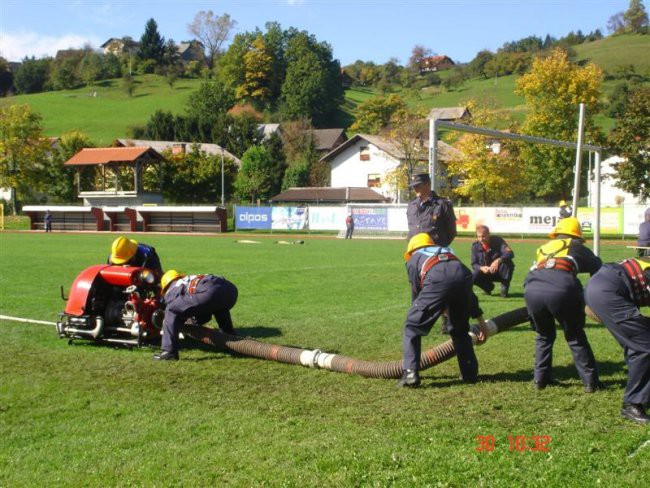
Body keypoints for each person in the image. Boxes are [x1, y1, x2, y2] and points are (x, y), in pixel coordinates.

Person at [523, 217, 603, 392]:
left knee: (543, 336)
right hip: (562, 290)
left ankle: (540, 380)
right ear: (576, 235)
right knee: (575, 336)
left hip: (532, 290)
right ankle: (591, 383)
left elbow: (548, 267)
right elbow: (598, 267)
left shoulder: (544, 247)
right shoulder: (576, 246)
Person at [398, 233, 485, 388]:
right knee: (459, 330)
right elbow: (467, 292)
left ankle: (410, 374)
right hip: (463, 274)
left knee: (412, 327)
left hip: (435, 278)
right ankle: (470, 374)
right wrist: (480, 321)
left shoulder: (414, 258)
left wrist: (420, 314)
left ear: (412, 249)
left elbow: (417, 294)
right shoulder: (447, 251)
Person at [585, 257, 650, 424]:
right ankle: (632, 404)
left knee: (637, 341)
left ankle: (641, 393)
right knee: (644, 347)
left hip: (602, 288)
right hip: (608, 293)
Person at [153, 270, 239, 361]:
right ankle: (230, 337)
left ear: (165, 286)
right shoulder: (189, 279)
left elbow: (173, 308)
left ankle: (169, 351)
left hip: (210, 292)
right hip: (230, 290)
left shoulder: (173, 287)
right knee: (218, 306)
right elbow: (204, 313)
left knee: (170, 310)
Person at [406, 173, 457, 246]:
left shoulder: (442, 205)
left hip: (434, 252)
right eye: (414, 186)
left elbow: (452, 232)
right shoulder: (411, 205)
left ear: (428, 185)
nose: (415, 188)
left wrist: (439, 245)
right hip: (415, 251)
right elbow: (411, 228)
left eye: (418, 185)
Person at [470, 225, 515, 298]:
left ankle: (504, 291)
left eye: (483, 236)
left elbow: (510, 253)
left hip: (499, 272)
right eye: (479, 237)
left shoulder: (498, 241)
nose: (481, 239)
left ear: (489, 234)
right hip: (485, 273)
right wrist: (481, 268)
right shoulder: (475, 246)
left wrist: (498, 260)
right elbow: (474, 264)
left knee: (508, 263)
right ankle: (488, 287)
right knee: (473, 274)